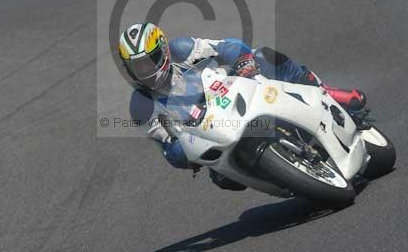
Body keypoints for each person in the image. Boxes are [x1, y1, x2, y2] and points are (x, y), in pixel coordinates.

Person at [118, 22, 366, 191]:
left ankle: (325, 90)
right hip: (214, 135)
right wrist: (184, 154)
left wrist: (244, 61)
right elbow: (167, 147)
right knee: (224, 180)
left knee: (264, 56)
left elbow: (228, 46)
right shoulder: (141, 104)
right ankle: (292, 181)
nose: (146, 72)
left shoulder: (182, 49)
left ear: (162, 50)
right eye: (137, 67)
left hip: (236, 93)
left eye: (149, 62)